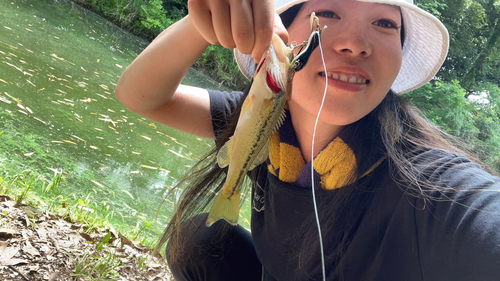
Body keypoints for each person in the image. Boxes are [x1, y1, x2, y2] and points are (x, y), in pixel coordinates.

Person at [115, 0, 500, 280]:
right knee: (199, 239)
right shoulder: (259, 117)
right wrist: (205, 20)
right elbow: (141, 97)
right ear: (276, 31)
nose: (356, 43)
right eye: (327, 15)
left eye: (384, 23)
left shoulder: (436, 186)